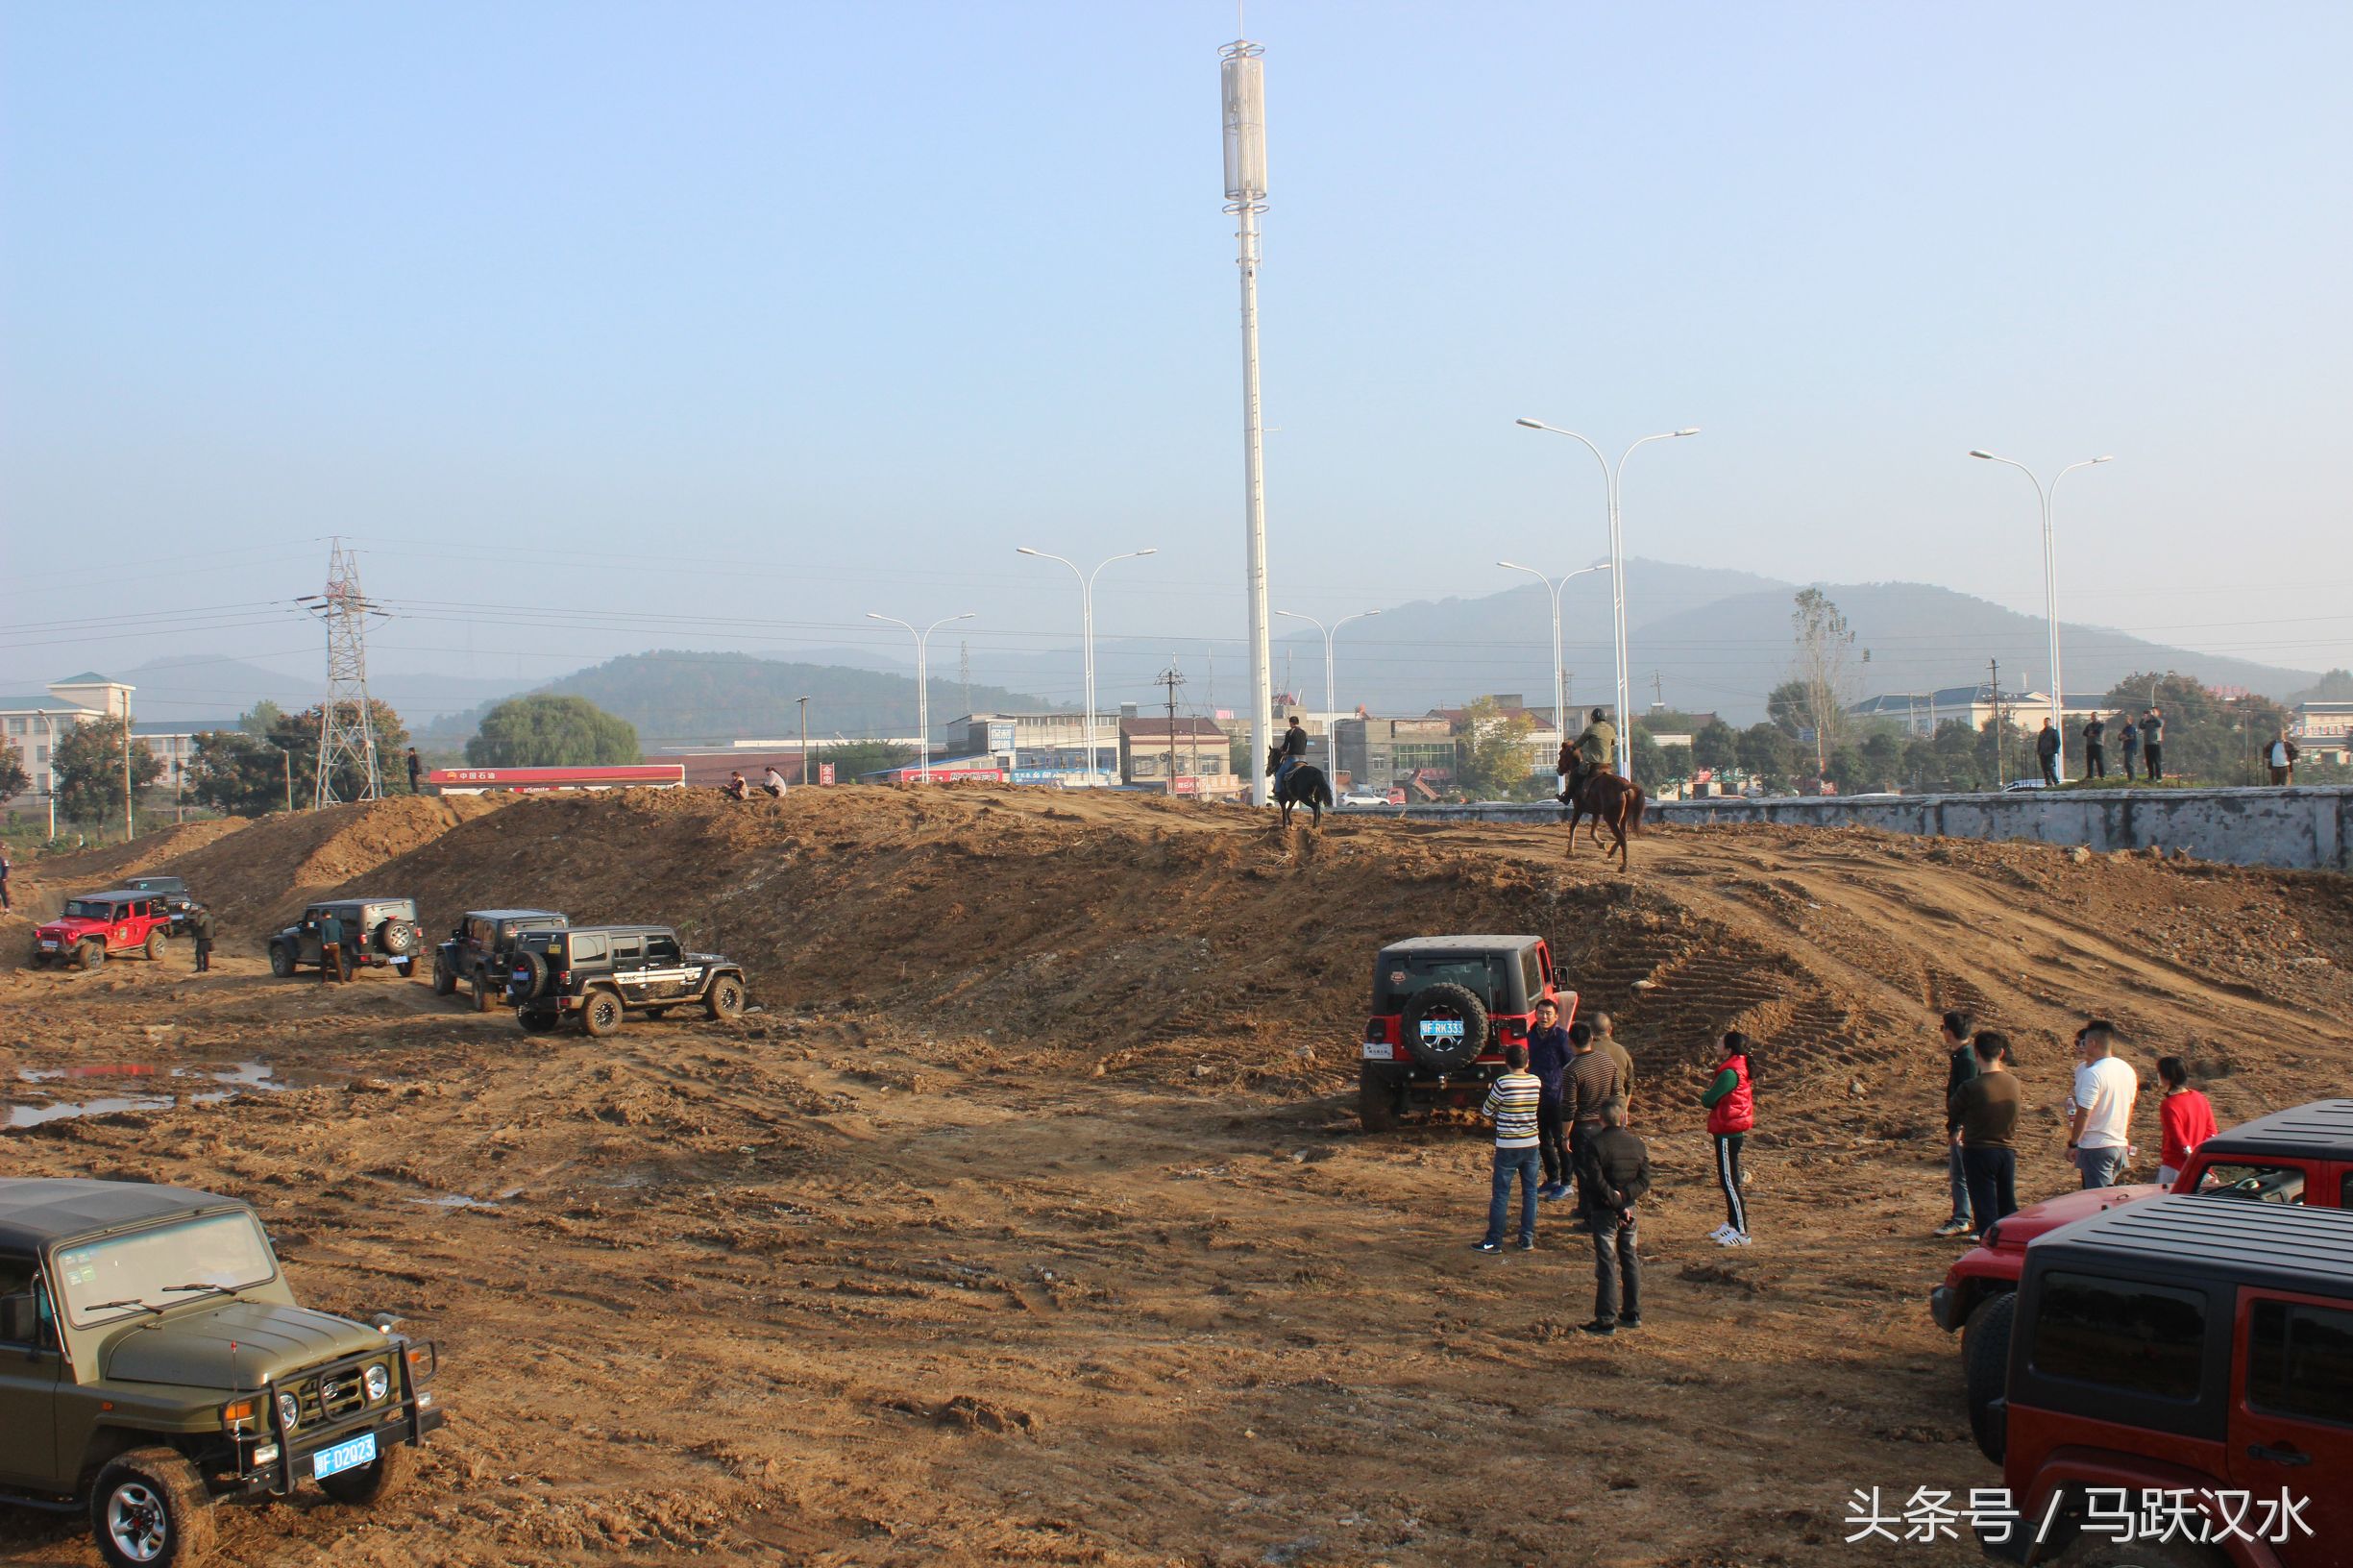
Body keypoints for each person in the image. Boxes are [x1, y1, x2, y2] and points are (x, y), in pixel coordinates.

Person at [1578, 1096, 1650, 1336]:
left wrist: (1616, 1202)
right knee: (1629, 1258)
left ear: (1600, 1119)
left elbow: (1595, 1181)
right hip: (1629, 1210)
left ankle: (1606, 1318)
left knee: (1607, 1262)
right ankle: (1632, 1312)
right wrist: (1624, 1200)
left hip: (1605, 1209)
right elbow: (1644, 1181)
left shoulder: (1595, 1144)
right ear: (1623, 1118)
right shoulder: (1637, 1145)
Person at [1474, 1043, 1543, 1253]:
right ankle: (1526, 1238)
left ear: (1506, 1062)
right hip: (1531, 1143)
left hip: (1507, 1144)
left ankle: (1494, 1241)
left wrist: (1499, 1115)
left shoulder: (1503, 1082)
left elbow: (1487, 1110)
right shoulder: (1536, 1081)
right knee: (1530, 1192)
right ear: (1527, 1062)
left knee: (1501, 1194)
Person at [1951, 1031, 2021, 1238]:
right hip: (2006, 1151)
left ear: (1976, 1053)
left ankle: (1990, 1246)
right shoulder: (2013, 1082)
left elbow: (1954, 1109)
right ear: (2001, 1053)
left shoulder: (1971, 1087)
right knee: (2007, 1204)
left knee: (1985, 1208)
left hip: (1978, 1151)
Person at [2067, 1019, 2138, 1188]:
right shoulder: (2126, 1069)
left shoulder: (2094, 1073)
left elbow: (2084, 1112)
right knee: (2110, 1196)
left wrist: (2073, 1143)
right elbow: (2129, 1107)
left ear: (2092, 1043)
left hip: (2096, 1146)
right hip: (2118, 1144)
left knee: (2099, 1202)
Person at [1701, 1031, 1755, 1246]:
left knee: (1729, 1182)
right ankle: (1733, 1224)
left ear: (1729, 1048)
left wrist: (1708, 1098)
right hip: (1731, 1129)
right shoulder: (1739, 1066)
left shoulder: (1730, 1072)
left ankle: (1741, 1232)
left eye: (1720, 1041)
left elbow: (1708, 1098)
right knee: (1729, 1180)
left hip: (1727, 1131)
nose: (1716, 1043)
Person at [1563, 1019, 1621, 1217]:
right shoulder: (1607, 1061)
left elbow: (1569, 1107)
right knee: (1603, 1171)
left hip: (1583, 1127)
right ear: (1591, 1039)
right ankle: (1589, 1209)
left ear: (1570, 1042)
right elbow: (1617, 1093)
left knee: (1585, 1172)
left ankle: (1590, 1214)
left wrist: (1565, 1135)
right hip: (1606, 1124)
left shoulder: (1571, 1070)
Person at [1933, 1010, 1978, 1237]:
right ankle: (1962, 1218)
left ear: (1949, 1032)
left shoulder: (1967, 1059)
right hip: (1962, 1126)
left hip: (1966, 1128)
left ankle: (1974, 1220)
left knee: (1969, 1175)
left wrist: (1957, 1127)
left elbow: (1968, 1097)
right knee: (1959, 1174)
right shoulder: (1962, 1056)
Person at [1527, 999, 1574, 1200]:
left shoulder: (1561, 1037)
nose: (1543, 1017)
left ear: (1556, 1017)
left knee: (1560, 1141)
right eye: (1540, 1013)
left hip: (1557, 1097)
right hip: (1538, 1095)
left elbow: (1570, 1065)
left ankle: (1567, 1182)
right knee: (1542, 1140)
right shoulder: (1531, 1036)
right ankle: (1552, 1178)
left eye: (1548, 1013)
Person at [2155, 1056, 2218, 1188]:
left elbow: (2177, 1136)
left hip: (2174, 1164)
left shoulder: (2169, 1104)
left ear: (2166, 1077)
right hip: (2199, 1162)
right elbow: (2212, 1132)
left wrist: (2190, 1154)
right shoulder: (2200, 1098)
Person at [1590, 1011, 1634, 1113]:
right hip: (1617, 1110)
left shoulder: (1586, 1051)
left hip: (1592, 1111)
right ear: (1610, 1030)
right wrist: (1624, 1109)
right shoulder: (1622, 1051)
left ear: (1590, 1032)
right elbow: (1629, 1085)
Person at [315, 908, 348, 985]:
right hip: (336, 945)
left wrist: (324, 944)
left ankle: (324, 980)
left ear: (323, 916)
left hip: (328, 946)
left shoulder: (323, 923)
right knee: (338, 963)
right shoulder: (337, 922)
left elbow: (323, 935)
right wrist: (338, 940)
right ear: (330, 915)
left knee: (323, 963)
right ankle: (342, 980)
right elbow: (342, 932)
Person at [1276, 715, 1308, 792]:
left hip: (1293, 758)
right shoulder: (1304, 733)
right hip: (1303, 758)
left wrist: (1283, 751)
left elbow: (1285, 746)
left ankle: (1277, 792)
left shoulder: (1290, 732)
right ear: (1298, 722)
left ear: (1291, 723)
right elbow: (1304, 745)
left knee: (1279, 774)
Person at [188, 903, 216, 973]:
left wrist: (194, 922)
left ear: (203, 909)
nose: (199, 910)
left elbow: (199, 925)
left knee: (198, 953)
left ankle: (199, 968)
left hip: (202, 937)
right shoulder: (210, 916)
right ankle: (206, 968)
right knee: (205, 953)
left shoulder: (203, 916)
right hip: (209, 937)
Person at [2035, 718, 2060, 786]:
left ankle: (2056, 782)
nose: (2046, 723)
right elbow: (2039, 742)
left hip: (2050, 753)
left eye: (2047, 722)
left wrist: (2054, 751)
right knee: (2044, 769)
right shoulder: (2042, 732)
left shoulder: (2053, 732)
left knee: (2050, 767)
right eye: (2045, 722)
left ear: (2050, 722)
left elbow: (2057, 742)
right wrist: (2039, 751)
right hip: (2042, 753)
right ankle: (2048, 783)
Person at [2142, 707, 2165, 782]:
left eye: (2154, 711)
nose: (2152, 713)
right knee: (2149, 762)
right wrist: (2143, 718)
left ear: (2158, 713)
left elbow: (2159, 724)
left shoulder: (2159, 721)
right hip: (2147, 743)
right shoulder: (2148, 721)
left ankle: (2159, 778)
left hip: (2156, 743)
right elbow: (2141, 726)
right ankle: (2151, 777)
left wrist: (2153, 716)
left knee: (2157, 761)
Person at [2081, 713, 2106, 780]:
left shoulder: (2101, 725)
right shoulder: (2089, 725)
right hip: (2090, 745)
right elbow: (2084, 733)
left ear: (2098, 717)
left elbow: (2098, 732)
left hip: (2098, 744)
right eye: (2092, 716)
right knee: (2089, 761)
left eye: (2095, 716)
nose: (2093, 717)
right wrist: (2090, 733)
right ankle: (2090, 775)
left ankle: (2102, 775)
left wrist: (2090, 733)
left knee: (2099, 761)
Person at [2117, 715, 2140, 781]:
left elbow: (2130, 737)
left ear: (2130, 720)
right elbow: (2120, 737)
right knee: (2126, 764)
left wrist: (2125, 736)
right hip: (2126, 747)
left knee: (2130, 763)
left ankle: (2133, 779)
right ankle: (2130, 778)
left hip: (2131, 747)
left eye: (2127, 719)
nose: (2125, 721)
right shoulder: (2125, 729)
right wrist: (2124, 737)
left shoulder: (2132, 728)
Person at [0, 844, 11, 911]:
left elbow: (6, 868)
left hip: (1, 879)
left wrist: (4, 877)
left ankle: (7, 909)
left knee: (3, 892)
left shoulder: (2, 859)